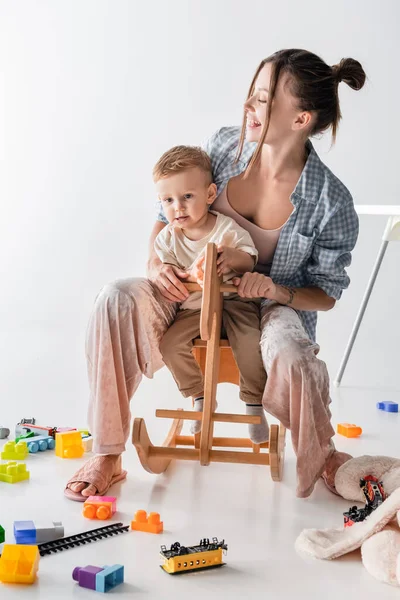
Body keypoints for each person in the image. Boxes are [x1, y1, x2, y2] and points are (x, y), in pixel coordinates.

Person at [65, 48, 365, 502]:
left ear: (301, 119)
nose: (248, 107)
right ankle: (107, 452)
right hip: (186, 290)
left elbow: (325, 296)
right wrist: (155, 263)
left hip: (263, 305)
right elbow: (166, 214)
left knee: (293, 351)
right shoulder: (224, 146)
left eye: (263, 100)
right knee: (113, 296)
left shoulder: (331, 201)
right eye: (252, 94)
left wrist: (276, 289)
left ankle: (320, 454)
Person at [153, 144, 269, 444]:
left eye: (187, 197)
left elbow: (250, 257)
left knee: (250, 342)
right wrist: (179, 275)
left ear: (209, 194)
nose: (177, 207)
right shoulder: (167, 239)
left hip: (234, 302)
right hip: (194, 307)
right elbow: (167, 273)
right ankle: (199, 395)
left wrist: (231, 257)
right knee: (169, 345)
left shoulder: (226, 229)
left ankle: (254, 404)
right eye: (168, 200)